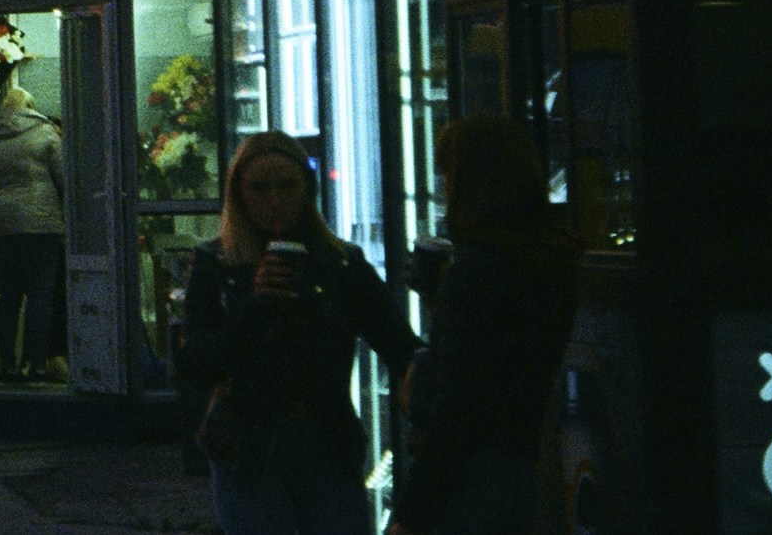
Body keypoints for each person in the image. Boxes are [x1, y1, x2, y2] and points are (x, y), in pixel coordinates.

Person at [179, 131, 421, 535]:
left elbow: (397, 342)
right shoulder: (217, 263)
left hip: (325, 441)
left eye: (287, 185)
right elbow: (196, 363)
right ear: (238, 193)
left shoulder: (339, 263)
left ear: (307, 190)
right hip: (248, 445)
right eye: (259, 187)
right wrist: (256, 307)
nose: (274, 200)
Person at [391, 117, 582, 535]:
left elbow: (459, 410)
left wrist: (410, 514)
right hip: (518, 464)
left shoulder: (477, 273)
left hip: (469, 478)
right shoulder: (549, 260)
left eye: (447, 174)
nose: (442, 189)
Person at [0, 77, 67, 385]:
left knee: (9, 296)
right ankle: (37, 365)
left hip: (1, 227)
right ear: (30, 107)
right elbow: (63, 178)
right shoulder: (46, 135)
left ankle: (7, 366)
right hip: (41, 225)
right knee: (40, 296)